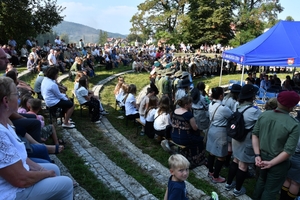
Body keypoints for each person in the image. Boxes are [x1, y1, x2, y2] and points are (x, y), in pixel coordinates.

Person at [0, 76, 73, 200]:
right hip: (11, 192)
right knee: (66, 184)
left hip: (17, 178)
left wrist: (40, 169)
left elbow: (21, 157)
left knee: (54, 168)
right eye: (16, 94)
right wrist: (45, 174)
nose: (19, 97)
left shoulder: (6, 122)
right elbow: (21, 180)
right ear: (6, 101)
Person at [252, 91, 300, 200]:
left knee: (261, 181)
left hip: (261, 157)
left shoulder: (264, 114)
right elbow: (288, 151)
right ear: (292, 106)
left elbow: (255, 135)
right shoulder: (294, 124)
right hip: (278, 163)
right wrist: (271, 163)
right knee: (271, 190)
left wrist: (257, 155)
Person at [225, 84, 262, 197]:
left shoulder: (238, 106)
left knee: (235, 160)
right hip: (246, 140)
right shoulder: (255, 111)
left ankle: (228, 183)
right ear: (252, 96)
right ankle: (237, 190)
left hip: (236, 138)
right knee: (243, 165)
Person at [170, 96, 206, 168]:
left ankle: (185, 153)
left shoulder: (175, 111)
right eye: (190, 103)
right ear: (186, 105)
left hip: (173, 136)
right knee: (200, 139)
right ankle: (196, 159)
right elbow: (195, 128)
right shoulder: (188, 115)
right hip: (184, 139)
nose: (191, 104)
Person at [206, 87, 233, 183]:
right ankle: (216, 176)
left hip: (212, 128)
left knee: (212, 152)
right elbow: (231, 116)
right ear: (221, 96)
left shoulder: (210, 104)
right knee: (221, 155)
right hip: (220, 131)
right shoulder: (223, 108)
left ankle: (210, 171)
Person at [222, 84, 241, 167]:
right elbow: (234, 114)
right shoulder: (235, 102)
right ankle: (226, 162)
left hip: (224, 122)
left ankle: (224, 158)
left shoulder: (226, 98)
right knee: (230, 143)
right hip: (231, 124)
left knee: (227, 142)